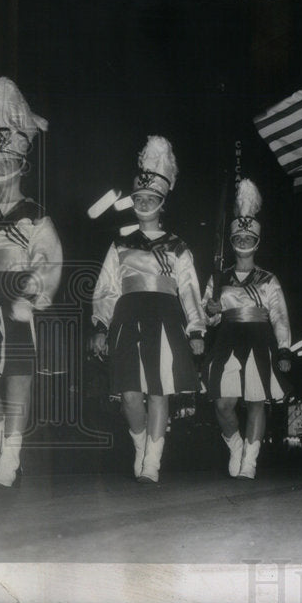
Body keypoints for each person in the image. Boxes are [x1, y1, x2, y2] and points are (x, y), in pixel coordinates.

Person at [90, 136, 205, 483]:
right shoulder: (120, 243)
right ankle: (141, 445)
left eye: (150, 199)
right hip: (127, 318)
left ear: (161, 202)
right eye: (138, 198)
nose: (143, 203)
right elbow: (106, 288)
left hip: (165, 319)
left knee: (158, 390)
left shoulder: (177, 246)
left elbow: (190, 290)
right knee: (128, 396)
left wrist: (197, 329)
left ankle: (152, 461)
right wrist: (100, 325)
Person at [0, 77, 61, 488]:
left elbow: (49, 261)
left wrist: (33, 291)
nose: (2, 167)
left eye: (9, 160)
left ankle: (10, 456)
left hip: (17, 300)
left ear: (22, 164)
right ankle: (4, 443)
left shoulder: (37, 216)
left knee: (18, 378)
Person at [202, 179, 292, 480]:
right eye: (238, 236)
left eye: (247, 236)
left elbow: (279, 316)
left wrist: (283, 348)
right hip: (227, 340)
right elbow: (207, 316)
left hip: (259, 339)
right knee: (222, 403)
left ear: (256, 240)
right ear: (232, 240)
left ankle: (250, 460)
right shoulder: (219, 277)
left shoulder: (268, 278)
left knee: (256, 401)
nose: (242, 240)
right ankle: (236, 444)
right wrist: (211, 312)